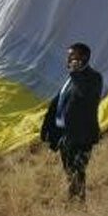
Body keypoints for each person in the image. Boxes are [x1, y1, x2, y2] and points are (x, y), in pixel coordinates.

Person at [40, 43, 104, 201]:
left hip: (82, 135)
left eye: (73, 56)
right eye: (69, 56)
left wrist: (76, 74)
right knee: (69, 170)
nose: (69, 59)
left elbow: (86, 95)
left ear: (83, 58)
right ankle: (72, 199)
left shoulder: (94, 78)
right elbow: (60, 102)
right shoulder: (70, 78)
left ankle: (77, 203)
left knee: (78, 170)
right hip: (65, 134)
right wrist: (48, 127)